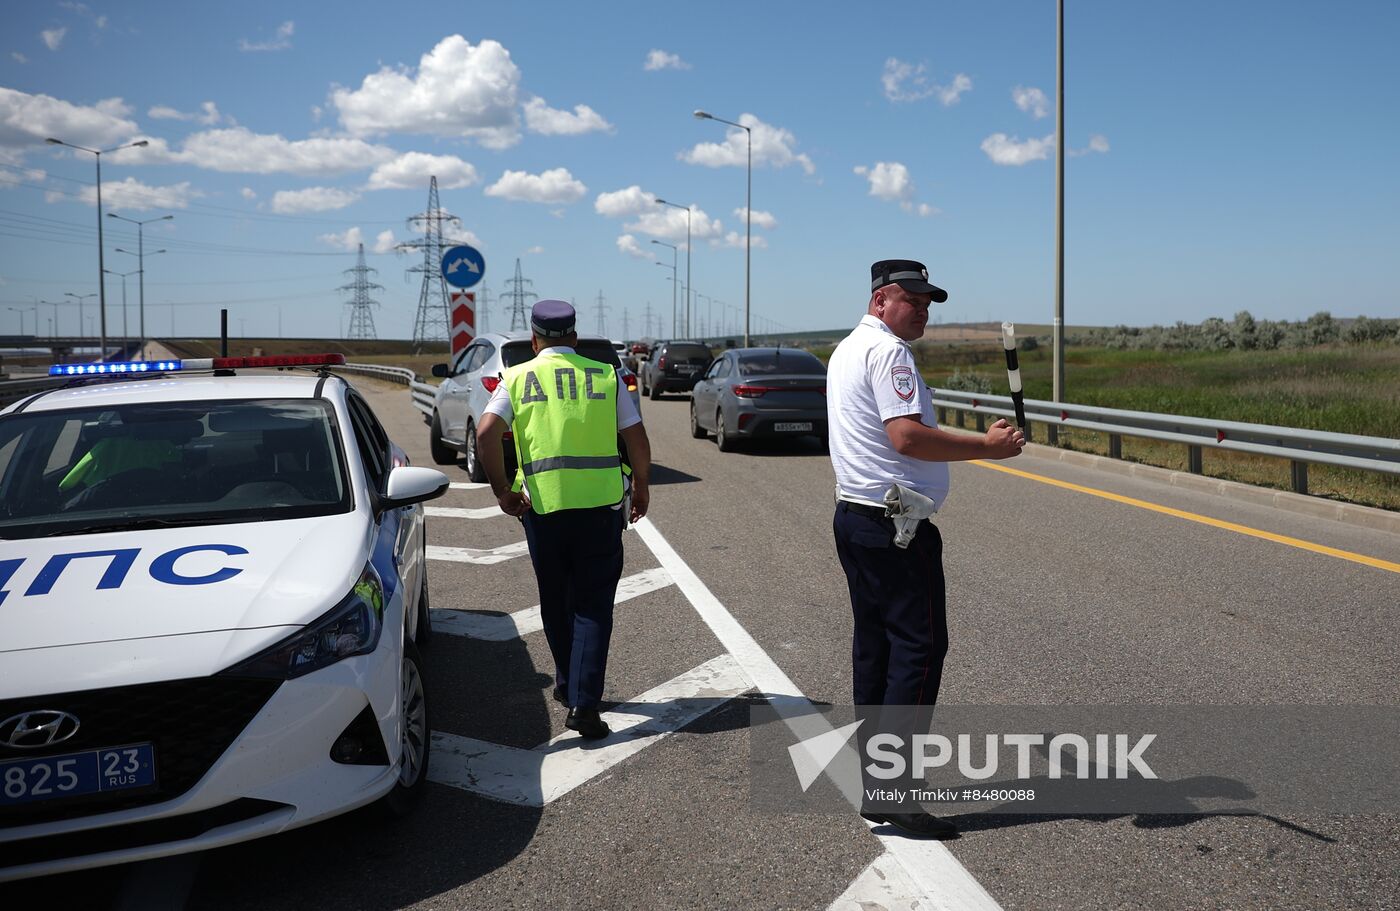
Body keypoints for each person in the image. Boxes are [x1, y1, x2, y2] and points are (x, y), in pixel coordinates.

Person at [826, 260, 1024, 837]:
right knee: (918, 649)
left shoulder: (847, 349)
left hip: (857, 516)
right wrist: (987, 447)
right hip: (897, 528)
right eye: (912, 301)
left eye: (927, 304)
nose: (923, 312)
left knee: (877, 650)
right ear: (881, 300)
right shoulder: (890, 353)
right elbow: (906, 436)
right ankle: (899, 792)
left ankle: (878, 783)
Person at [476, 300, 651, 739]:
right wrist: (642, 486)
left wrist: (502, 490)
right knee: (592, 605)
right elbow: (635, 435)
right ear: (574, 337)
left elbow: (486, 433)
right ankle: (584, 704)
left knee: (555, 599)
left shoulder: (516, 377)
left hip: (543, 509)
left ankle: (566, 684)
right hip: (599, 509)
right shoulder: (604, 375)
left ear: (535, 341)